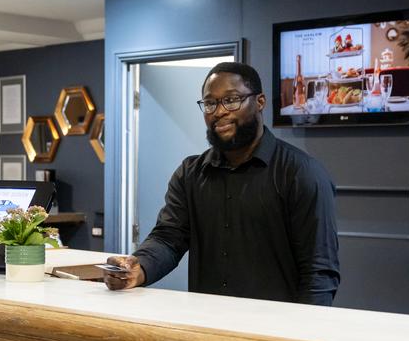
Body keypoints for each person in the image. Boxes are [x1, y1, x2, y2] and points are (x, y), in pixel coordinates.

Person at [104, 62, 340, 305]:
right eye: (210, 103)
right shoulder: (190, 174)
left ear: (260, 102)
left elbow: (319, 272)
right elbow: (168, 239)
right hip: (207, 325)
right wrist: (137, 268)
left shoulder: (301, 173)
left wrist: (301, 336)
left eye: (232, 100)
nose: (219, 112)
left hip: (274, 331)